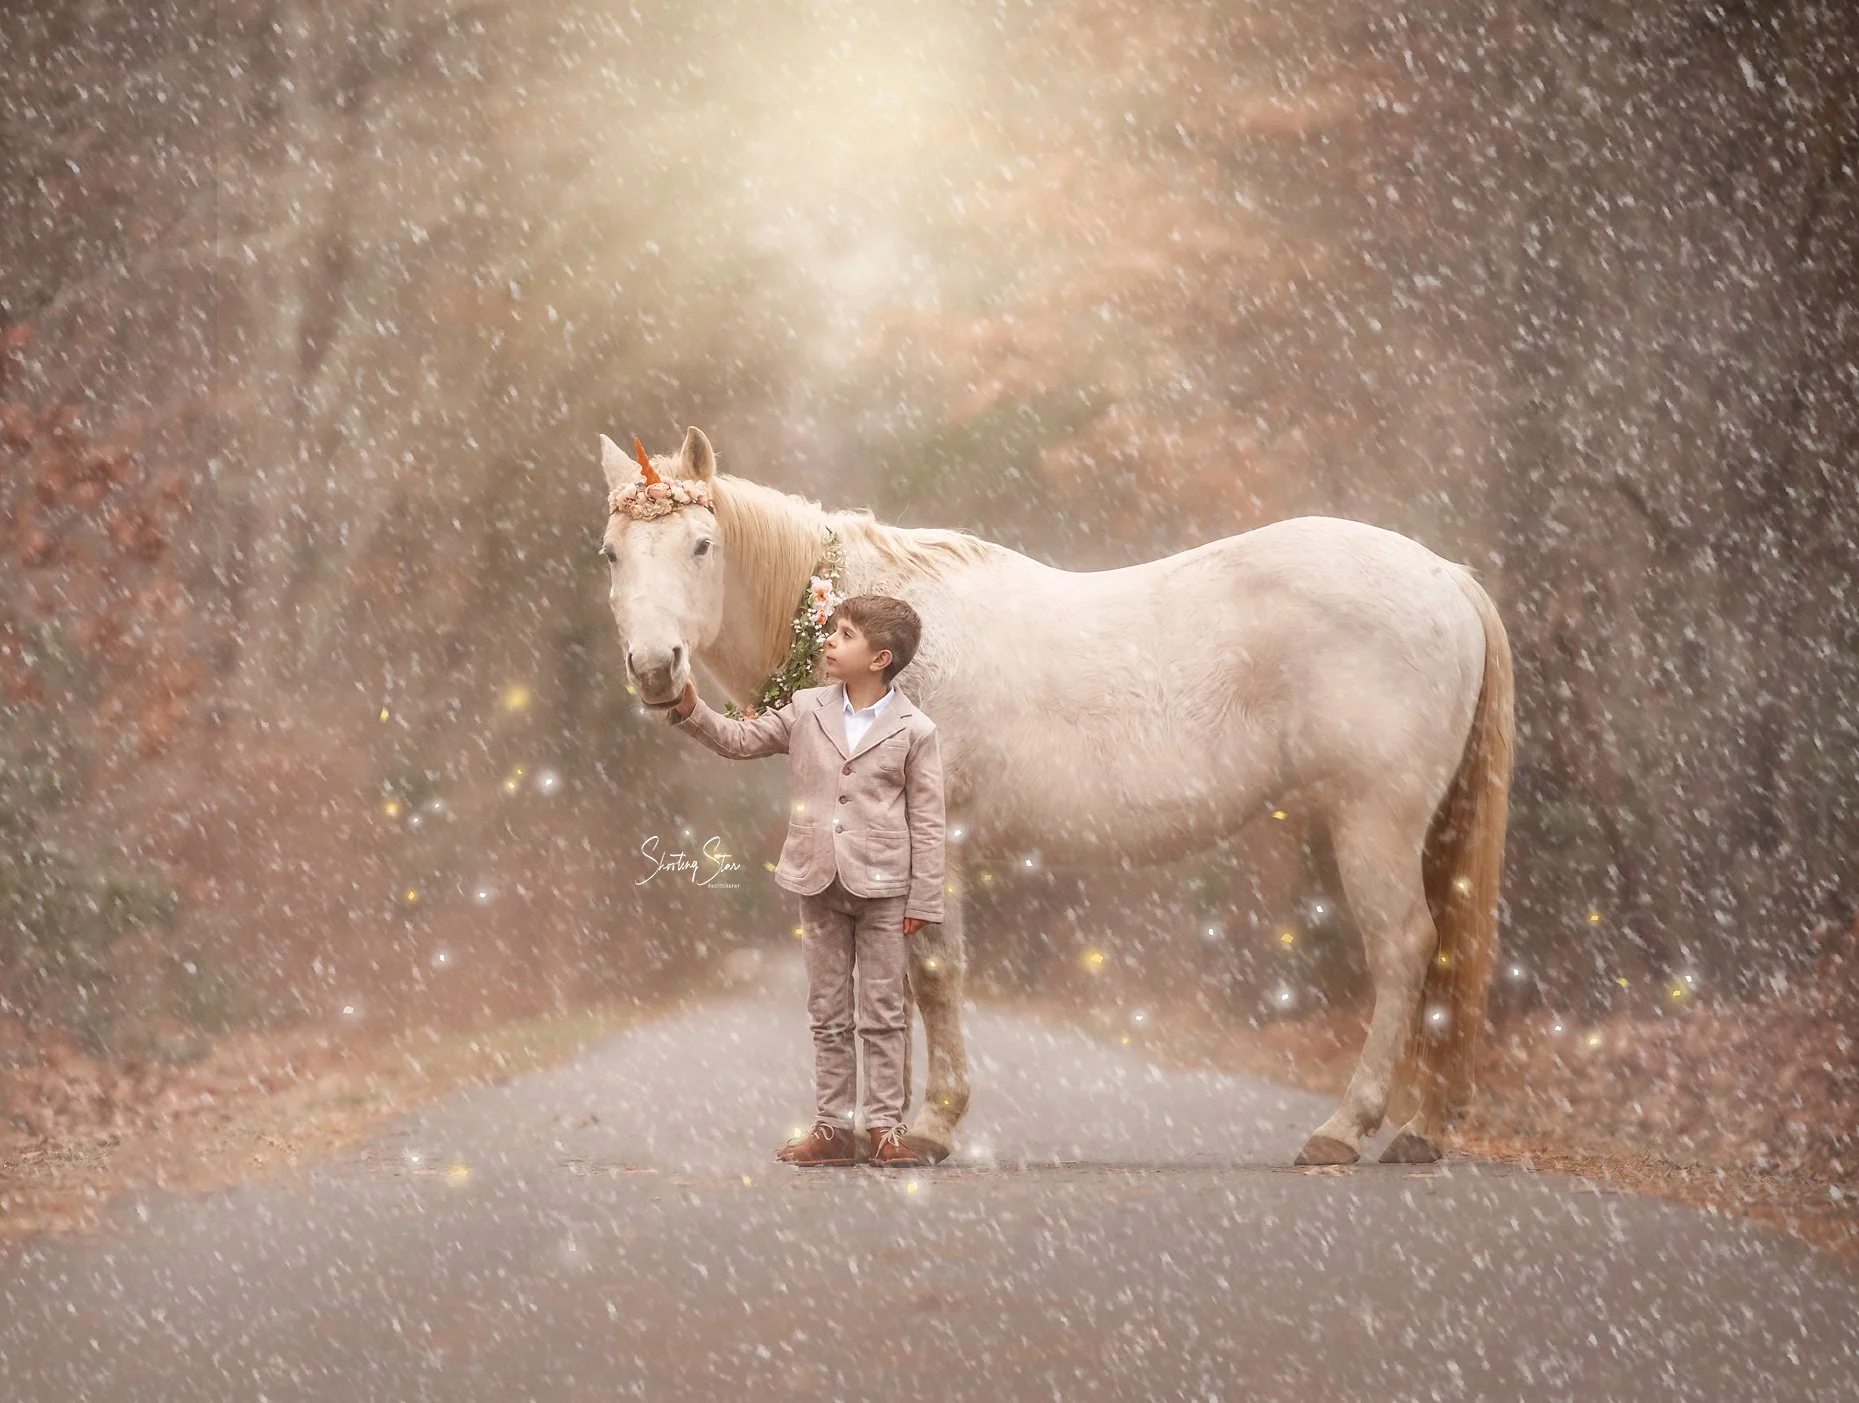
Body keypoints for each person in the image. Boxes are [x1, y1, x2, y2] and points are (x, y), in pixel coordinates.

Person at [658, 594, 946, 1168]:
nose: (830, 642)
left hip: (886, 887)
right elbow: (740, 740)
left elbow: (928, 819)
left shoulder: (916, 730)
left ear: (880, 659)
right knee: (828, 1011)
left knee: (884, 1012)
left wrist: (925, 896)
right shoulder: (807, 707)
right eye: (833, 630)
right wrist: (692, 710)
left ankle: (885, 1127)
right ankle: (834, 1128)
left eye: (845, 635)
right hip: (817, 880)